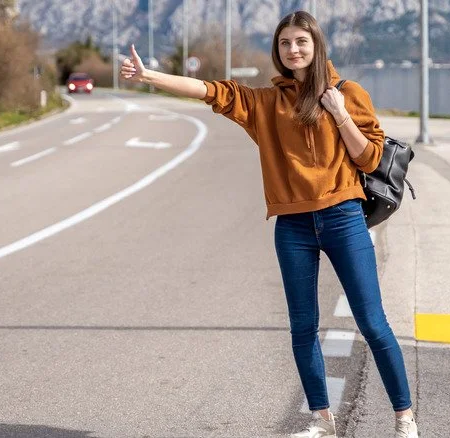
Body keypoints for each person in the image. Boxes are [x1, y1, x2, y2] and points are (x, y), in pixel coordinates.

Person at [120, 10, 419, 438]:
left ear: (316, 46)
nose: (293, 49)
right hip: (293, 226)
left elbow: (370, 159)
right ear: (277, 50)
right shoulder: (266, 102)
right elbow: (209, 90)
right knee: (303, 327)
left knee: (372, 323)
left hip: (343, 217)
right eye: (285, 43)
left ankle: (404, 419)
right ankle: (321, 421)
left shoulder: (348, 93)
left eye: (301, 41)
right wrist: (149, 76)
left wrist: (340, 114)